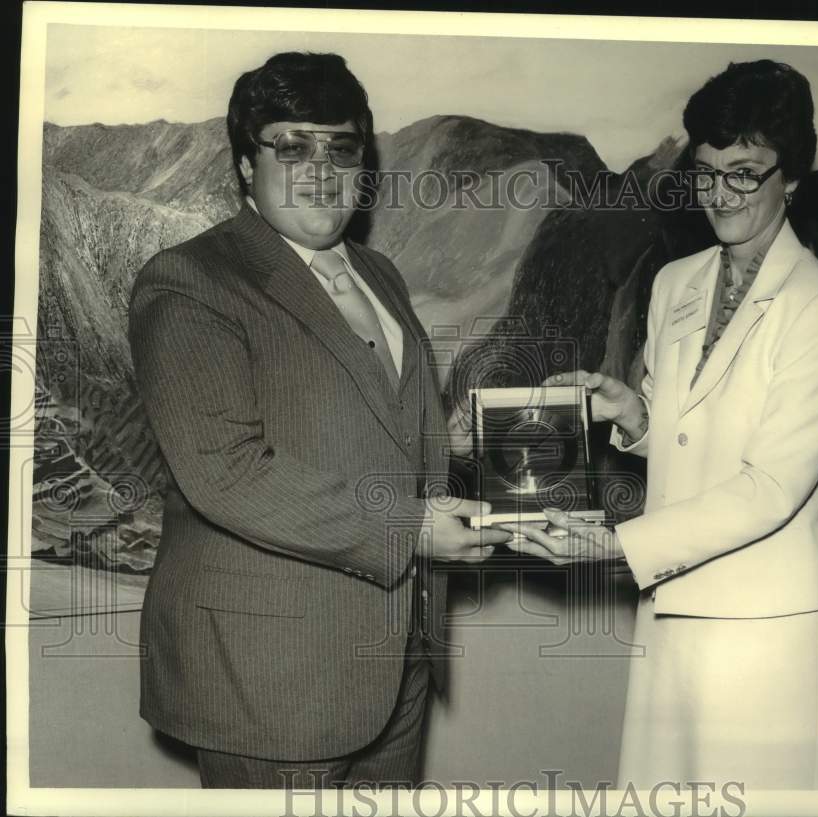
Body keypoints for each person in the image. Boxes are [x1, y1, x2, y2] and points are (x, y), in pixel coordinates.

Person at [128, 51, 508, 789]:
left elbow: (391, 431)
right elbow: (227, 472)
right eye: (291, 146)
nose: (321, 170)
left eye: (342, 148)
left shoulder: (379, 274)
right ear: (244, 165)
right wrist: (414, 528)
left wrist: (488, 460)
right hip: (271, 676)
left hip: (396, 660)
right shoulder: (190, 281)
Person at [505, 60, 818, 790]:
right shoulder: (676, 282)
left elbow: (769, 487)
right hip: (672, 602)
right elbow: (687, 431)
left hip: (765, 621)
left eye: (744, 172)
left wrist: (614, 544)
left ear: (790, 177)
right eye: (706, 172)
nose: (719, 194)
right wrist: (631, 413)